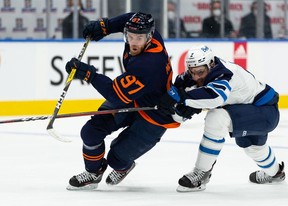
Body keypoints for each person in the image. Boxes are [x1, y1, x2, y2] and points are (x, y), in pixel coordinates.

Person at [64, 12, 180, 190]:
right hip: (135, 99)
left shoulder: (149, 63)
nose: (133, 42)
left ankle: (124, 166)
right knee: (91, 132)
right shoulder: (146, 33)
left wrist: (89, 75)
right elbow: (130, 18)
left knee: (116, 159)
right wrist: (106, 26)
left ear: (149, 36)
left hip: (155, 114)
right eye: (130, 36)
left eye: (139, 38)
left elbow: (115, 95)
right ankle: (93, 173)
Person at [158, 44, 285, 192]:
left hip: (265, 112)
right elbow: (181, 103)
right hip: (248, 110)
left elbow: (216, 97)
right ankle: (276, 173)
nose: (196, 77)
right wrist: (177, 109)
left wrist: (182, 99)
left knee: (217, 118)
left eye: (200, 72)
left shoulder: (224, 73)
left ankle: (201, 173)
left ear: (211, 64)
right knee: (254, 148)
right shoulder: (191, 76)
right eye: (192, 72)